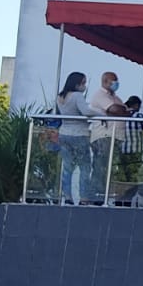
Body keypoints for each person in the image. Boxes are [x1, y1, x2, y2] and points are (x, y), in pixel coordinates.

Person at [54, 72, 99, 205]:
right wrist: (100, 113)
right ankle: (84, 198)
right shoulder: (77, 96)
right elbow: (86, 111)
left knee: (68, 167)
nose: (84, 86)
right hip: (79, 134)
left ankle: (67, 197)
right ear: (77, 84)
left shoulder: (60, 97)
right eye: (83, 83)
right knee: (85, 167)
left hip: (64, 133)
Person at [87, 71, 128, 200]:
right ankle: (96, 197)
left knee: (110, 169)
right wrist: (119, 111)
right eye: (113, 81)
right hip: (104, 136)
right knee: (100, 167)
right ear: (105, 82)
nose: (116, 83)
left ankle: (105, 196)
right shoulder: (99, 95)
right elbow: (115, 110)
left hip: (117, 137)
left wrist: (121, 111)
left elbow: (124, 111)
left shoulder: (116, 98)